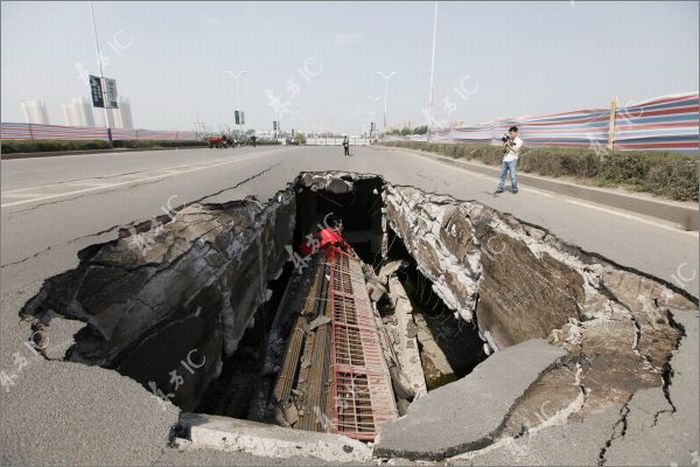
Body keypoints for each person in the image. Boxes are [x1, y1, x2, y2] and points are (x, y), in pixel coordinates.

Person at [495, 126, 523, 194]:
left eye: (512, 133)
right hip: (505, 159)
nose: (510, 135)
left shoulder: (519, 141)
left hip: (513, 160)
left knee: (513, 176)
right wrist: (505, 145)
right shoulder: (508, 140)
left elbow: (516, 150)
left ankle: (514, 188)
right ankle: (500, 188)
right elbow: (503, 151)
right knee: (502, 175)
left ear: (516, 133)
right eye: (509, 133)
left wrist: (509, 145)